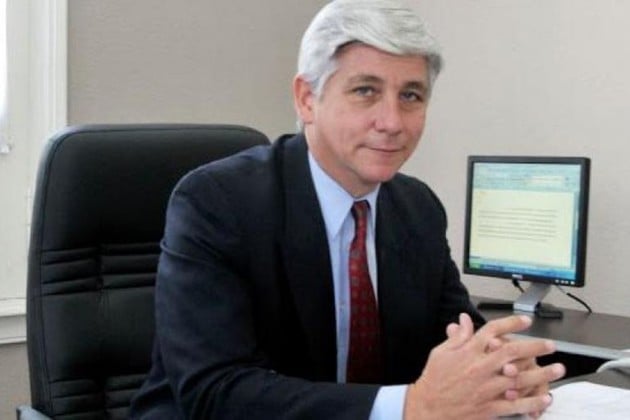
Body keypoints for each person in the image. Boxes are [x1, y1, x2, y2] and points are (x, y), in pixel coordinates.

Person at [130, 0, 565, 418]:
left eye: (411, 95)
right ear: (307, 98)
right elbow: (215, 392)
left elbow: (457, 335)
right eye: (365, 91)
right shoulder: (217, 203)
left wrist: (502, 372)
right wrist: (410, 407)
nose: (392, 121)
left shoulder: (418, 208)